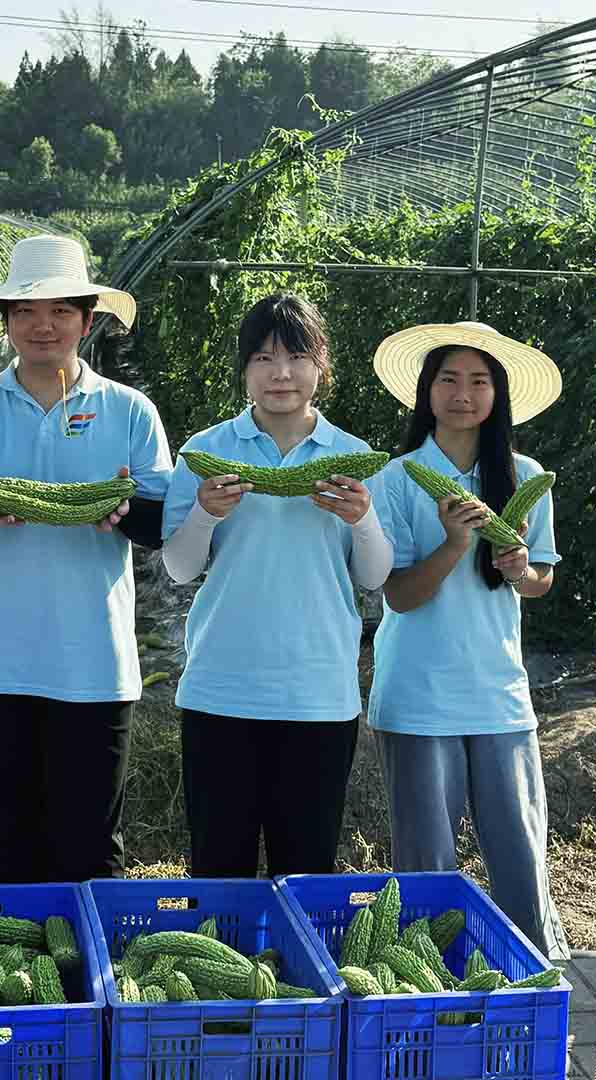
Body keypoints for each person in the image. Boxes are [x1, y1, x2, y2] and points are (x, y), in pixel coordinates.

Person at [0, 234, 172, 885]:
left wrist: (120, 509)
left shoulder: (129, 411)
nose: (42, 326)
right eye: (26, 312)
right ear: (6, 323)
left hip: (94, 664)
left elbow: (163, 525)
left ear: (87, 322)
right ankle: (31, 977)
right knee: (12, 837)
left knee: (92, 845)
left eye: (60, 311)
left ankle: (90, 979)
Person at [161, 294, 392, 877]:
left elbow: (374, 577)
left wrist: (361, 519)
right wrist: (205, 514)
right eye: (263, 358)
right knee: (218, 867)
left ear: (321, 365)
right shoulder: (207, 452)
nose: (281, 373)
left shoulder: (354, 458)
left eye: (296, 356)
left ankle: (294, 969)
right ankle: (223, 968)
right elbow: (179, 568)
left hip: (318, 693)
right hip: (221, 689)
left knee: (307, 866)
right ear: (244, 369)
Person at [367, 320, 571, 961]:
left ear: (498, 393)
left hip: (500, 693)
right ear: (426, 391)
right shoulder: (396, 478)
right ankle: (427, 981)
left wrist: (520, 570)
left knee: (519, 847)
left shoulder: (526, 474)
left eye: (479, 380)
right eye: (448, 379)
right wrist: (456, 542)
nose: (463, 392)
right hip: (418, 693)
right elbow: (397, 595)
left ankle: (531, 975)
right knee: (427, 859)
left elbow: (540, 580)